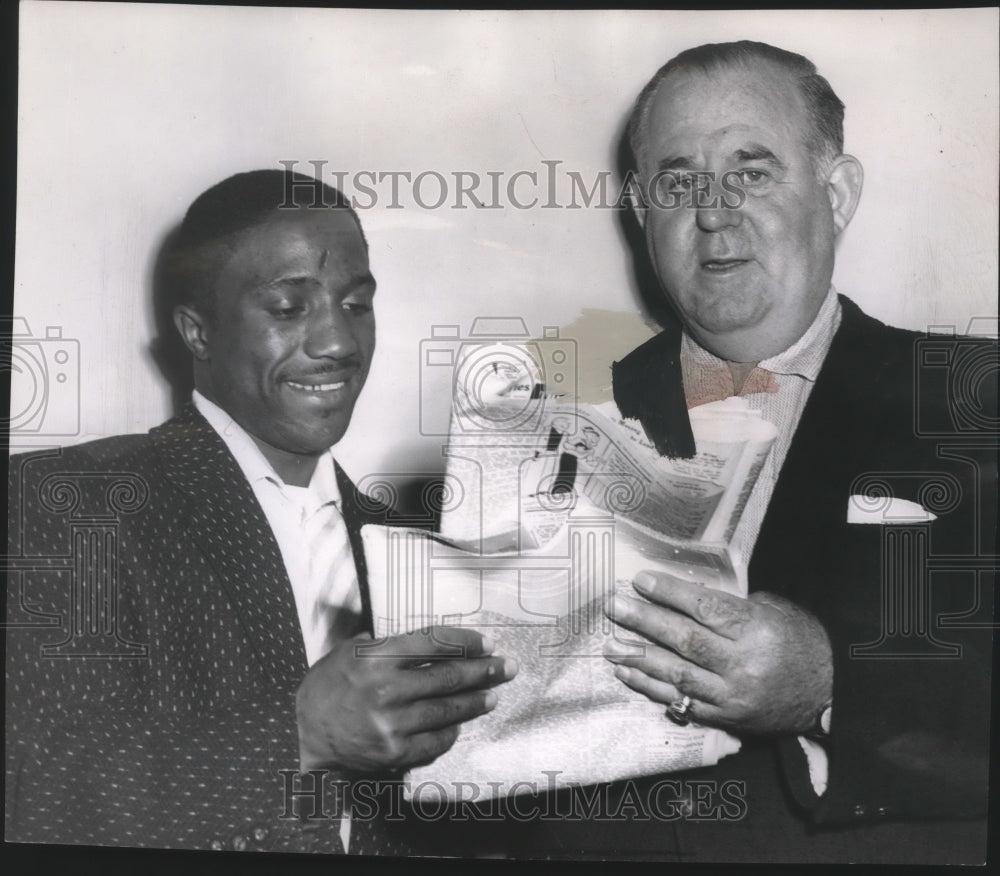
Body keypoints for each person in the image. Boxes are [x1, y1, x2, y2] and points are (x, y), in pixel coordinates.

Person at [467, 41, 994, 863]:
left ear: (839, 190)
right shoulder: (547, 423)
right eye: (679, 181)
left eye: (751, 172)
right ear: (642, 211)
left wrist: (831, 684)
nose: (713, 211)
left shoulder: (975, 398)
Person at [4, 169, 517, 855]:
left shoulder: (420, 549)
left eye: (356, 303)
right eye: (288, 308)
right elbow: (36, 792)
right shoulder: (69, 503)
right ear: (197, 332)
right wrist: (299, 735)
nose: (339, 341)